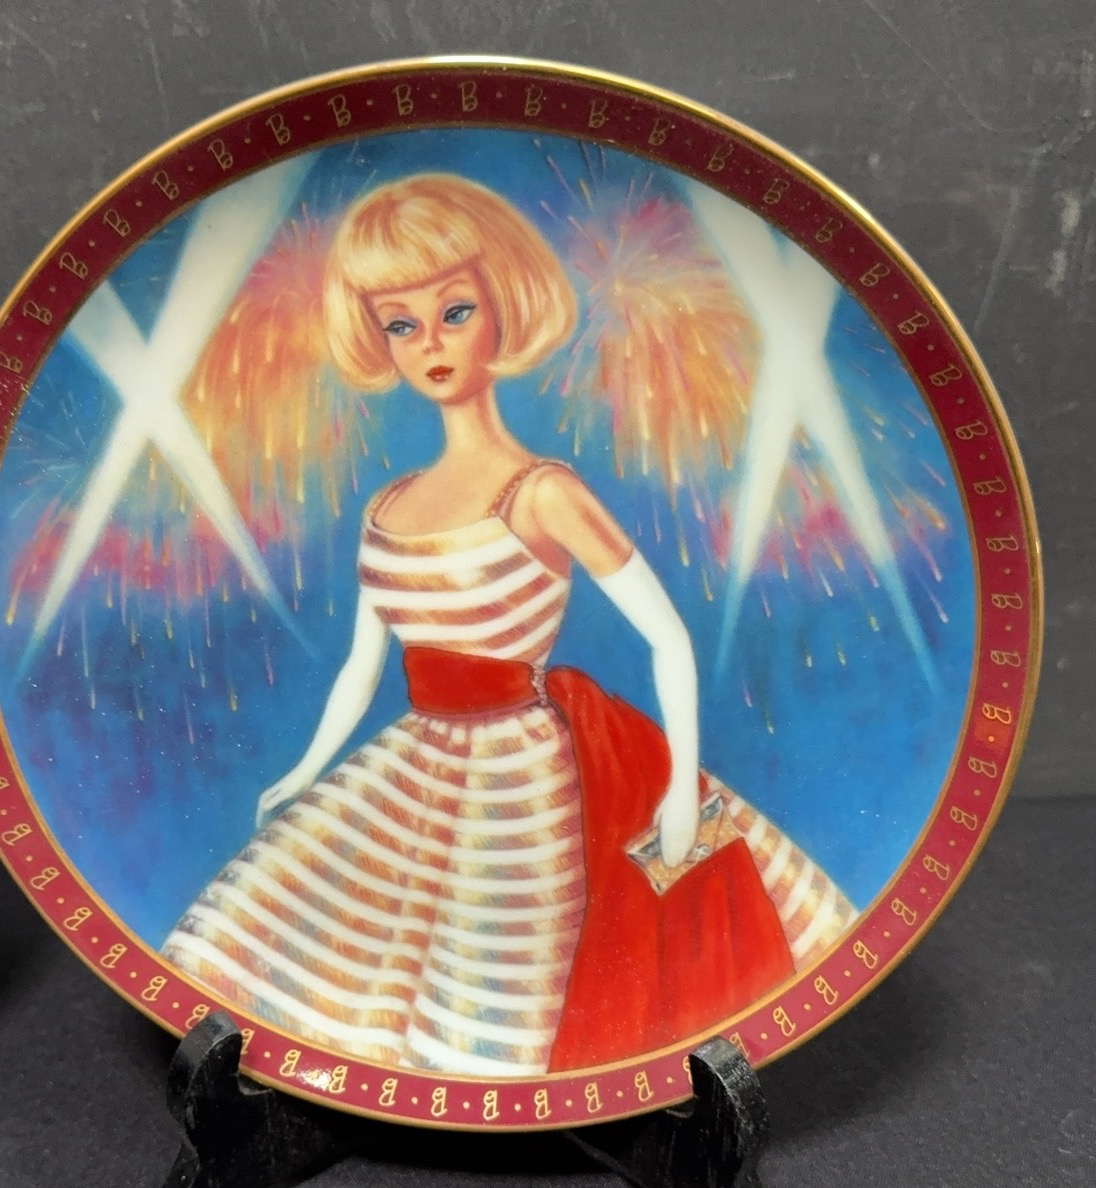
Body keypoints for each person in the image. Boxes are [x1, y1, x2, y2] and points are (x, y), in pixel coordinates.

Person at [161, 174, 855, 1076]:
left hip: (521, 772)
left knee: (496, 970)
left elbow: (669, 638)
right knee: (342, 950)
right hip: (415, 761)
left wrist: (681, 789)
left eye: (454, 312)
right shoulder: (388, 506)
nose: (430, 343)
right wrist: (303, 768)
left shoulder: (542, 493)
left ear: (503, 305)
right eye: (401, 324)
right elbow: (360, 668)